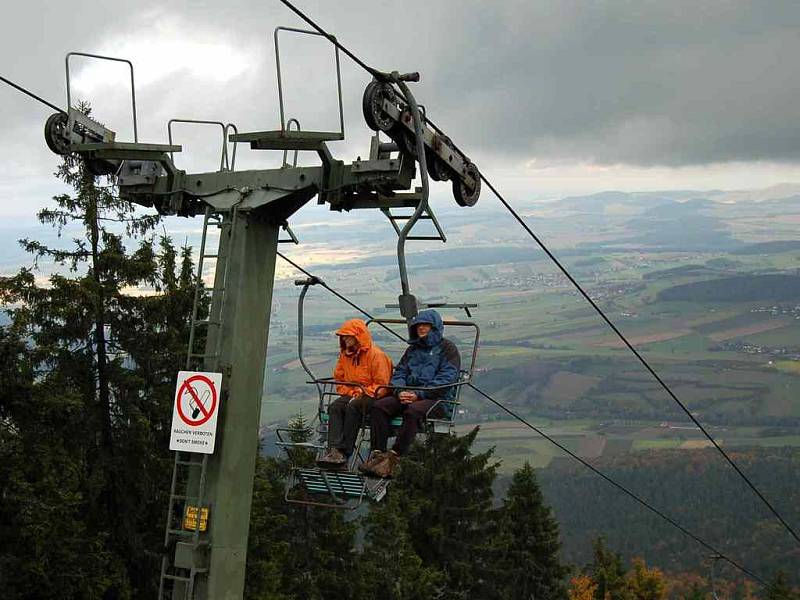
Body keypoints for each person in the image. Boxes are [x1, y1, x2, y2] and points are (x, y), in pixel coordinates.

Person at [361, 309, 461, 478]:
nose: (421, 328)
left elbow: (447, 379)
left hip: (436, 399)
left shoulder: (448, 349)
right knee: (379, 407)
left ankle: (393, 458)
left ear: (435, 327)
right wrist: (400, 391)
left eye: (426, 325)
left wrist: (419, 394)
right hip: (409, 394)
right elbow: (399, 373)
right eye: (418, 325)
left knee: (413, 411)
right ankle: (378, 454)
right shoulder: (413, 350)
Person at [317, 319, 392, 469]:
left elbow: (383, 384)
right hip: (354, 393)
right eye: (343, 336)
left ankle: (345, 451)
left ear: (358, 336)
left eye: (347, 336)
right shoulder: (345, 356)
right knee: (335, 407)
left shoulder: (376, 355)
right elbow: (340, 379)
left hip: (373, 395)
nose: (344, 339)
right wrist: (351, 392)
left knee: (353, 407)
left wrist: (362, 392)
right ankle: (334, 450)